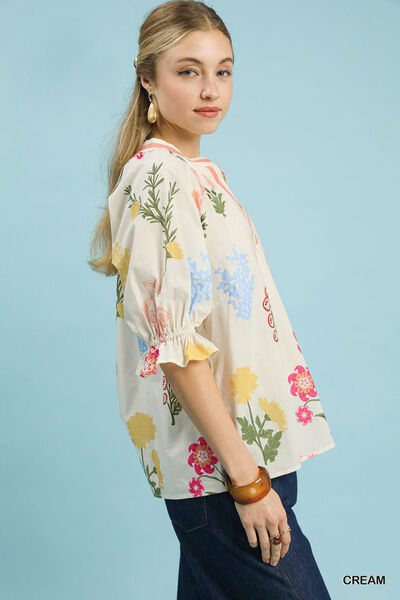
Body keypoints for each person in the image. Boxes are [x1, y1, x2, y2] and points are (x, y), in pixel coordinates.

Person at [88, 1, 336, 598]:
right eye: (188, 71)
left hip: (245, 460)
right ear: (148, 80)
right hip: (226, 474)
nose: (211, 90)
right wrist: (248, 481)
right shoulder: (160, 178)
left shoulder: (195, 173)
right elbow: (176, 349)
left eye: (223, 71)